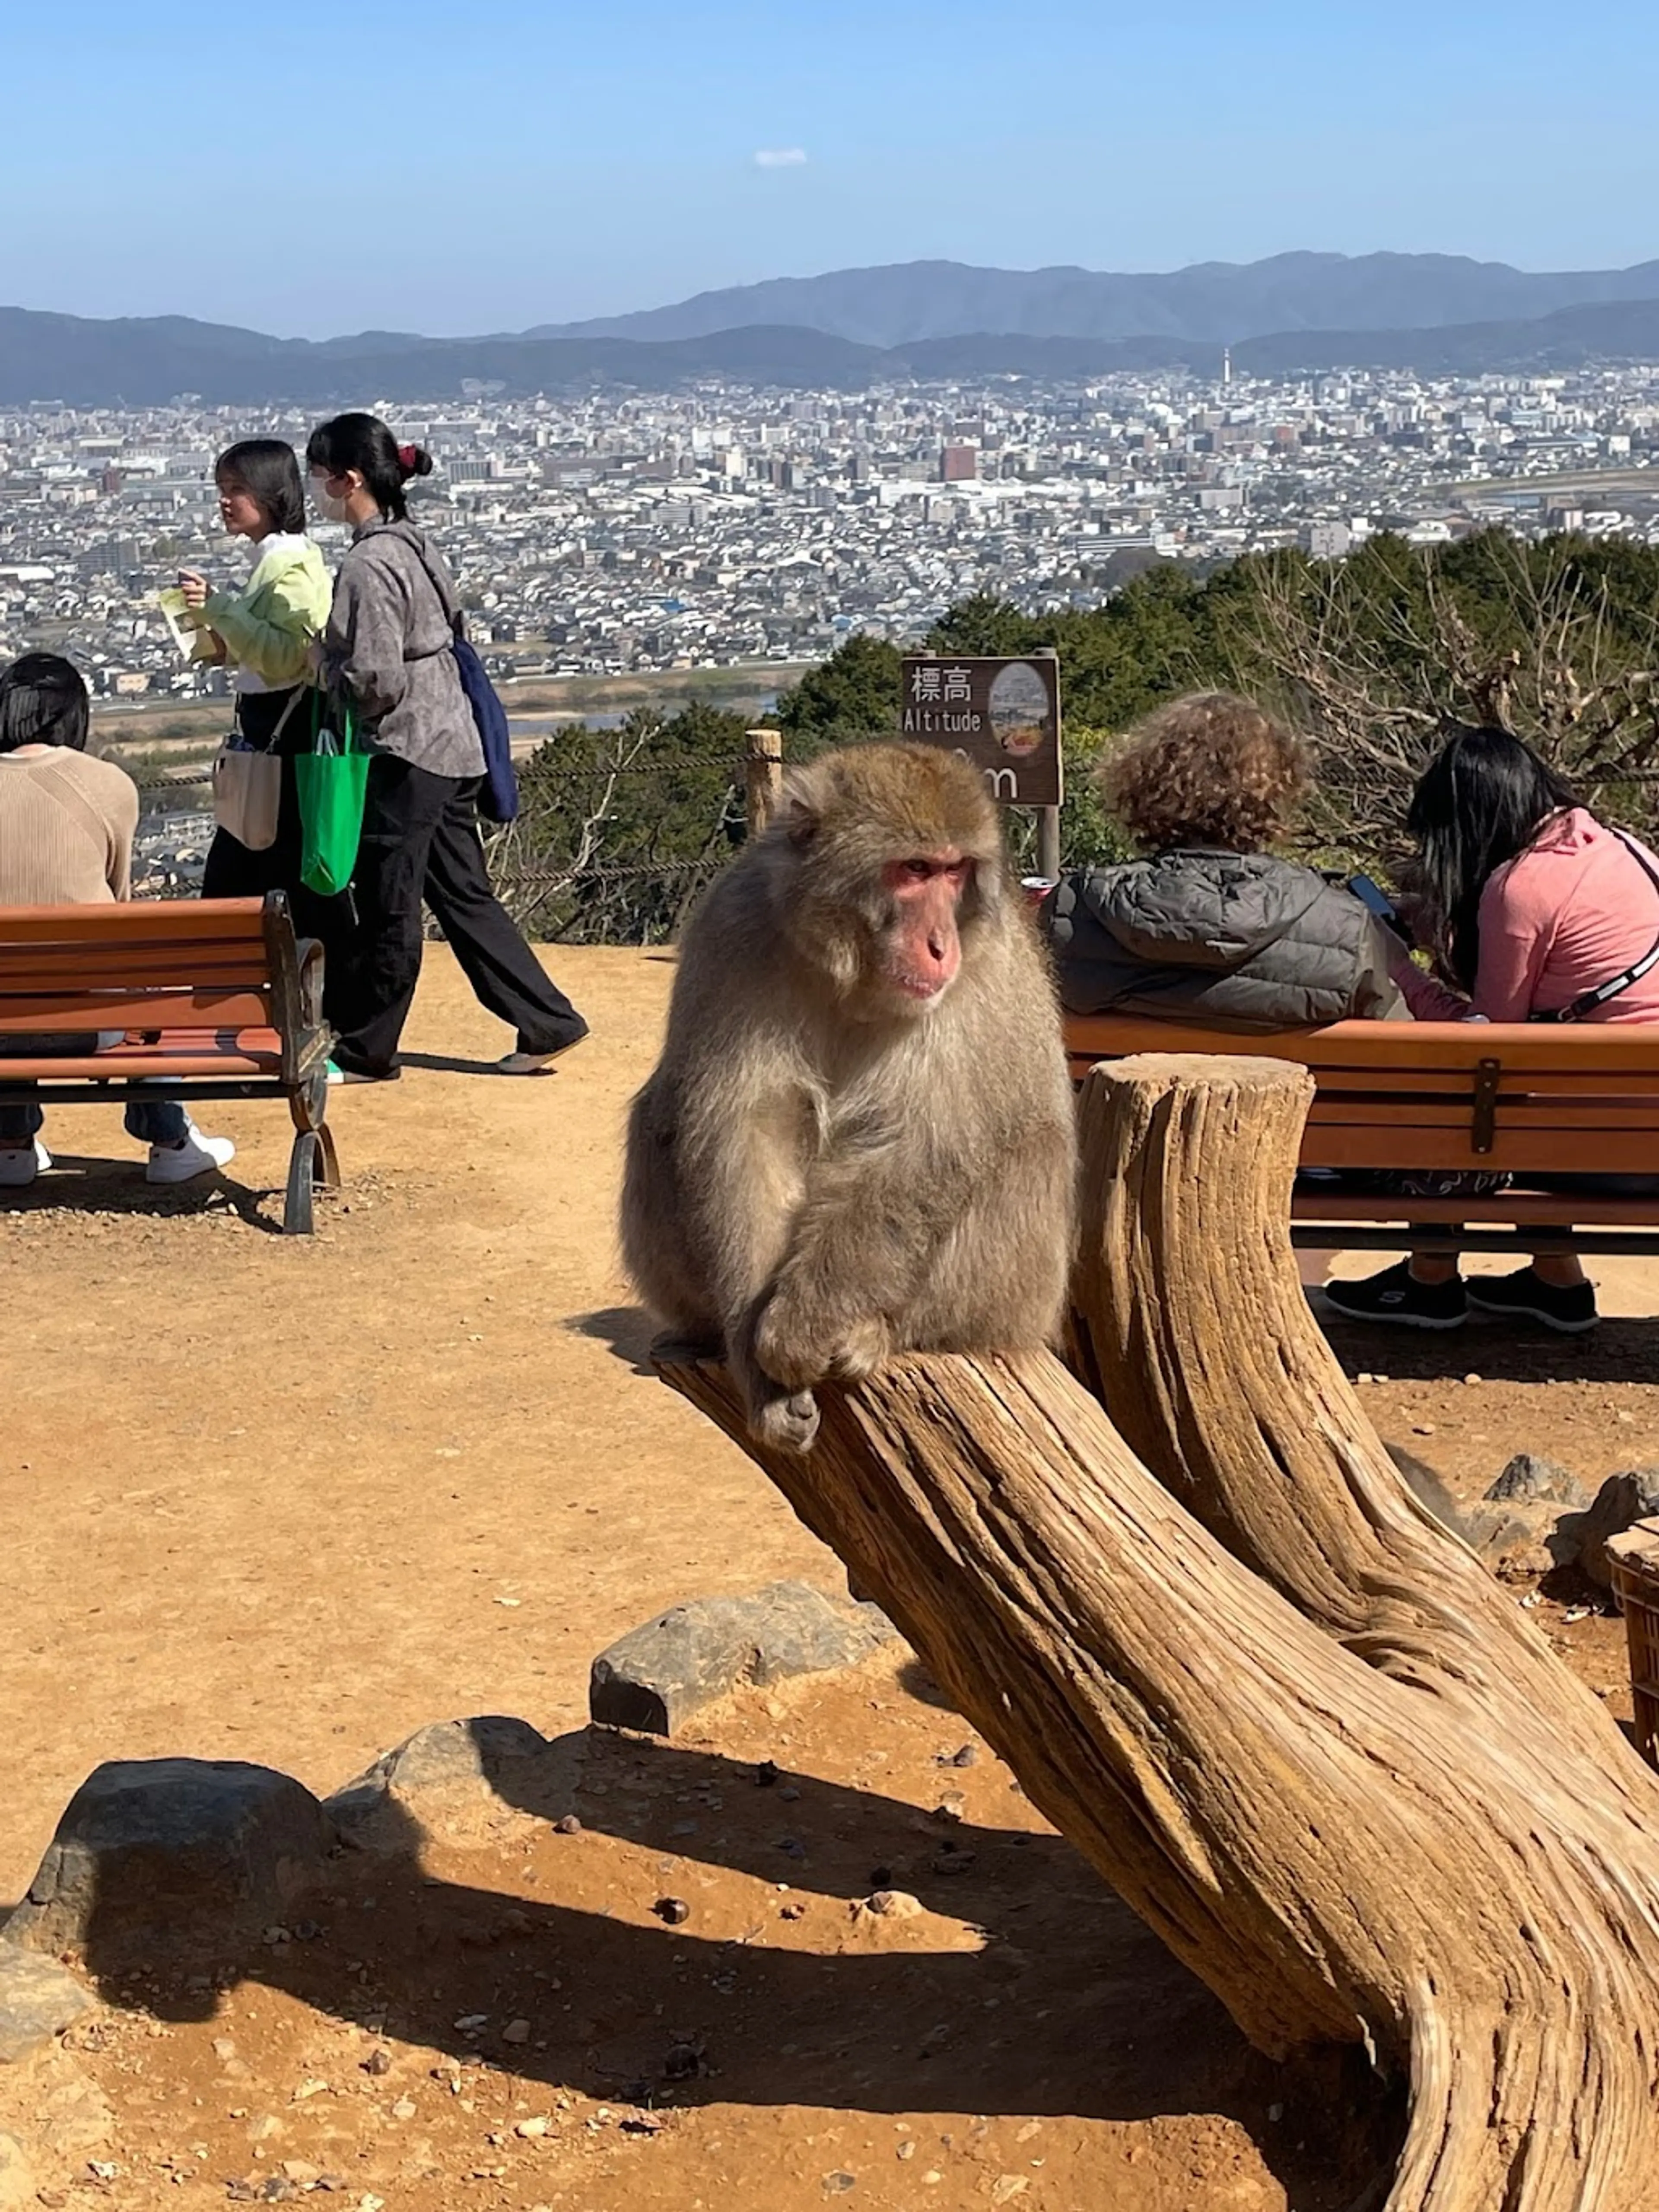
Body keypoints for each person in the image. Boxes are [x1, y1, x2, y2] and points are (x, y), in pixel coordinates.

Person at [1325, 724, 1659, 1334]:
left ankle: (1430, 1280)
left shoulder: (1519, 887)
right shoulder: (1625, 849)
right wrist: (1431, 924)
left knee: (1466, 1095)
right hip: (1640, 1135)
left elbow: (1486, 1046)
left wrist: (1399, 970)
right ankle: (1556, 1280)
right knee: (1539, 1093)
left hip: (1598, 1151)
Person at [305, 413, 587, 1080]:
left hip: (408, 749)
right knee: (464, 894)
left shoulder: (369, 564)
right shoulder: (414, 543)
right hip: (455, 737)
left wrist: (321, 664)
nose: (316, 489)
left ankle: (368, 1046)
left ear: (349, 480)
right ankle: (546, 1020)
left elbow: (375, 679)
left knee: (389, 902)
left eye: (320, 476)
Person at [0, 654, 235, 1188]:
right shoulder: (108, 785)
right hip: (94, 1022)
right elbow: (119, 898)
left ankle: (9, 1144)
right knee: (142, 974)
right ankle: (170, 1137)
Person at [1041, 690, 1405, 1027]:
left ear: (1142, 787)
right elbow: (1409, 1053)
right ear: (1278, 793)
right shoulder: (1343, 926)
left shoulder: (1073, 912)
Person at [178, 439, 334, 908]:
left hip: (282, 744)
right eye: (222, 488)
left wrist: (220, 608)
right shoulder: (271, 560)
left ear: (270, 494)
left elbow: (290, 656)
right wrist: (221, 645)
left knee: (249, 875)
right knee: (257, 872)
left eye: (237, 489)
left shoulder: (293, 567)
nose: (225, 501)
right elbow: (266, 647)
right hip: (267, 740)